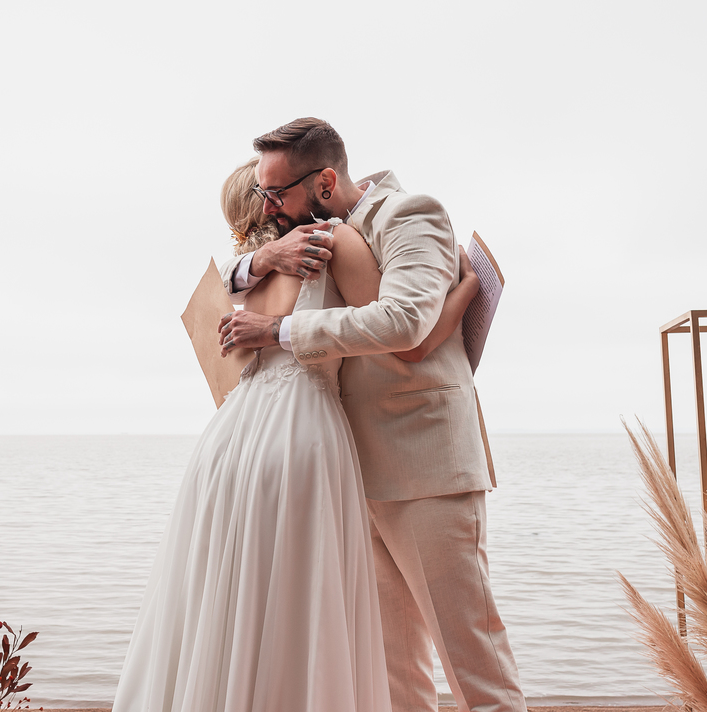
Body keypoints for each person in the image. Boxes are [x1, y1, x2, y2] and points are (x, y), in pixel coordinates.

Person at [113, 156, 479, 712]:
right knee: (296, 609)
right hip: (300, 435)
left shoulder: (242, 275)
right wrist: (466, 290)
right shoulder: (333, 242)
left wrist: (256, 260)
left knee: (227, 609)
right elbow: (407, 338)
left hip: (228, 442)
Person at [218, 118, 525, 712]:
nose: (270, 206)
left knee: (474, 667)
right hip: (356, 476)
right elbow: (229, 282)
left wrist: (279, 331)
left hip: (426, 470)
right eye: (263, 193)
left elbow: (405, 324)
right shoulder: (314, 235)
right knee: (393, 674)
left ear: (326, 181)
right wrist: (262, 264)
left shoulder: (411, 214)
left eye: (278, 193)